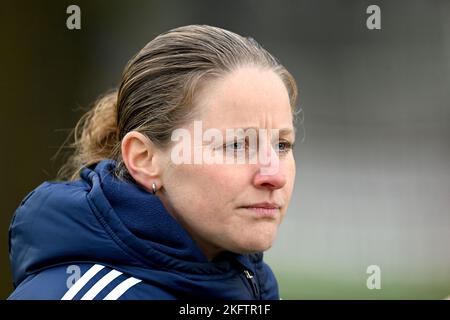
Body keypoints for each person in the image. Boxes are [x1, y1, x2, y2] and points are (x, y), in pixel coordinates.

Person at [8, 24, 298, 300]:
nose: (275, 176)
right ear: (144, 159)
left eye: (282, 144)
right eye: (236, 145)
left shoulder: (253, 286)